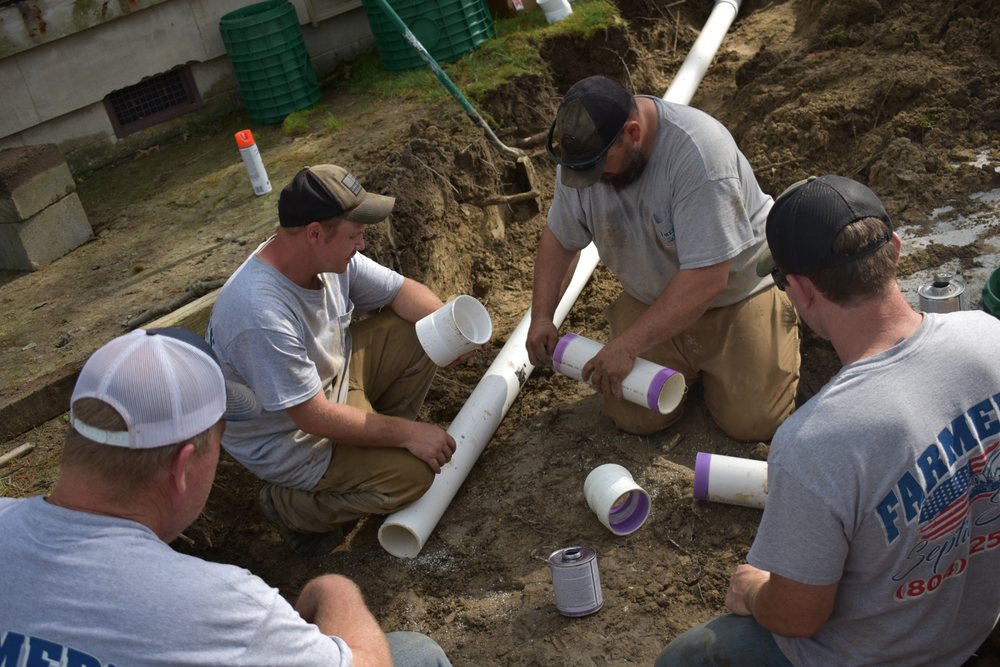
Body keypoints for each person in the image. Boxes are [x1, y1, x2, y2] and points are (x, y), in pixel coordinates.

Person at [656, 176, 1000, 666]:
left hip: (886, 655)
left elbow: (798, 618)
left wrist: (754, 591)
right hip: (973, 624)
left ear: (800, 289)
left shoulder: (815, 441)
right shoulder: (989, 336)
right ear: (896, 249)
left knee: (685, 659)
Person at [0, 327, 451, 667]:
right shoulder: (217, 606)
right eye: (218, 443)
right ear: (183, 466)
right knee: (415, 654)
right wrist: (335, 592)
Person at [527, 75, 799, 442]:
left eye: (600, 168)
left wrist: (625, 346)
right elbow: (561, 240)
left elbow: (707, 278)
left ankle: (770, 331)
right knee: (633, 417)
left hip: (734, 293)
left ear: (633, 133)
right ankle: (691, 365)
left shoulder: (699, 156)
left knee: (754, 422)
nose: (592, 181)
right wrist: (542, 315)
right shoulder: (584, 158)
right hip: (652, 297)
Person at [208, 164, 462, 556]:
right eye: (354, 234)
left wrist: (449, 329)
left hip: (334, 383)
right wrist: (409, 435)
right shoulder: (259, 314)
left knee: (420, 331)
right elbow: (312, 418)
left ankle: (377, 446)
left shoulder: (327, 258)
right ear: (314, 233)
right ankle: (291, 507)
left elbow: (401, 292)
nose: (361, 244)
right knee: (413, 479)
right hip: (296, 441)